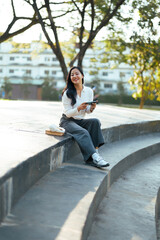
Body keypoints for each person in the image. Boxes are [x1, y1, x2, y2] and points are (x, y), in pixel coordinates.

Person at [59, 66, 109, 168]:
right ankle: (95, 157)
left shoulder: (89, 91)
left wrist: (91, 108)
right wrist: (78, 108)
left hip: (80, 120)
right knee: (83, 132)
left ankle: (94, 153)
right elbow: (68, 113)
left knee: (95, 121)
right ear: (70, 78)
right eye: (72, 75)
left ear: (82, 75)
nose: (74, 76)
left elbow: (87, 111)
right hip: (67, 121)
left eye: (77, 73)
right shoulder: (67, 93)